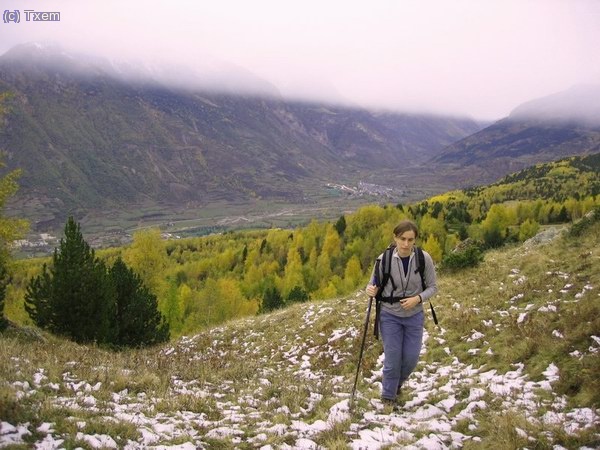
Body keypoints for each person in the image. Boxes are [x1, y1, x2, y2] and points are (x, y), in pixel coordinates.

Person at [365, 219, 438, 407]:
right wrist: (370, 290)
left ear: (415, 240)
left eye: (410, 240)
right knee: (393, 357)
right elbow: (373, 283)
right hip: (389, 315)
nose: (406, 244)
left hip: (414, 315)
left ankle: (396, 384)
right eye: (402, 239)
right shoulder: (384, 259)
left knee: (411, 358)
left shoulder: (424, 258)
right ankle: (388, 396)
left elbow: (432, 287)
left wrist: (417, 299)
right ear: (395, 238)